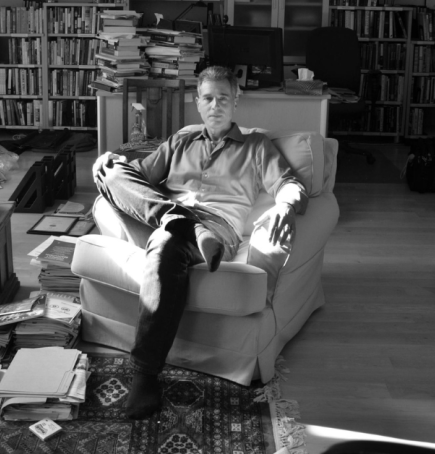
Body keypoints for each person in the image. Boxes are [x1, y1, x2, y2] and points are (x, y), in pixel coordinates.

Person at [92, 66, 308, 419]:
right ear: (197, 102)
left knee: (166, 243)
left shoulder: (256, 146)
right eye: (208, 98)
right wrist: (112, 164)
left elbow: (289, 184)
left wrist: (285, 204)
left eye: (224, 98)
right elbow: (137, 180)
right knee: (110, 170)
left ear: (236, 102)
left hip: (216, 226)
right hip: (169, 217)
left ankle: (145, 374)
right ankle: (175, 220)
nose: (215, 105)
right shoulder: (180, 141)